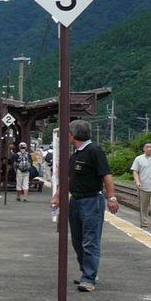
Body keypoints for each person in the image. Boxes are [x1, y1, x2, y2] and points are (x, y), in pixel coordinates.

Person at [51, 119, 119, 292]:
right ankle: (86, 272)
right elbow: (67, 179)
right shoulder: (75, 155)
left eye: (68, 133)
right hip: (75, 200)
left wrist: (111, 198)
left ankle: (89, 278)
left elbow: (107, 175)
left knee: (90, 241)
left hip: (92, 201)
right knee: (77, 240)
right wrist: (58, 196)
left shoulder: (94, 151)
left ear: (73, 135)